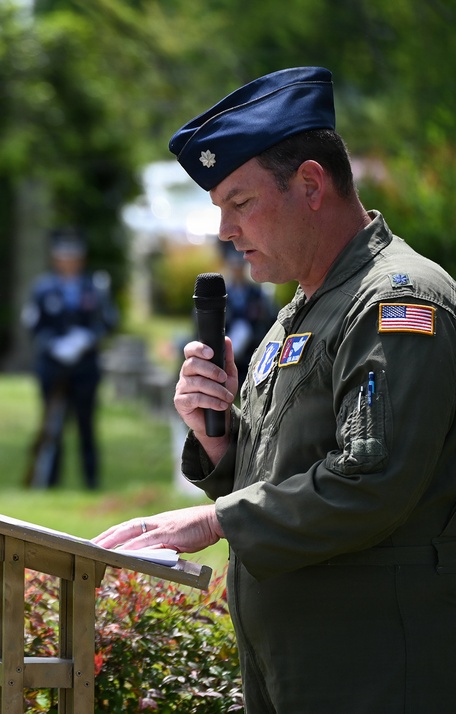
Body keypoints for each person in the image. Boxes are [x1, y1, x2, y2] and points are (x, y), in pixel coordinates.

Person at [93, 67, 456, 712]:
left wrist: (211, 520)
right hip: (300, 660)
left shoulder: (395, 303)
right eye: (219, 210)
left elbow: (370, 483)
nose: (225, 232)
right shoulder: (303, 307)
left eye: (240, 202)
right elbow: (280, 472)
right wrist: (218, 441)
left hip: (376, 665)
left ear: (311, 184)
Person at [21, 228, 118, 489]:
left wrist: (87, 338)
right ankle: (49, 483)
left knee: (87, 426)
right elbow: (33, 325)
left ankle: (91, 482)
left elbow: (109, 321)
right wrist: (55, 344)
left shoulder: (95, 286)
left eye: (74, 254)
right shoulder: (43, 288)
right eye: (64, 254)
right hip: (52, 367)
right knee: (52, 426)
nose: (69, 260)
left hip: (85, 367)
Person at [221, 245, 276, 390]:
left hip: (252, 340)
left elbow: (269, 317)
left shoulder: (256, 292)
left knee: (244, 330)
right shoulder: (224, 292)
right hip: (229, 336)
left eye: (239, 265)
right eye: (234, 265)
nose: (237, 269)